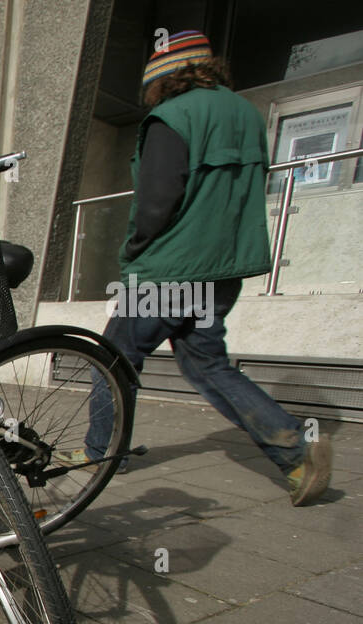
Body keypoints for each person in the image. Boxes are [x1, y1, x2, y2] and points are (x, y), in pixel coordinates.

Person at [80, 30, 330, 506]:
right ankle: (297, 451)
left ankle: (102, 454)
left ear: (163, 78)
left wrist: (134, 249)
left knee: (112, 359)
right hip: (222, 271)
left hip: (169, 270)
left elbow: (156, 202)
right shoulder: (246, 115)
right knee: (209, 366)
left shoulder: (171, 117)